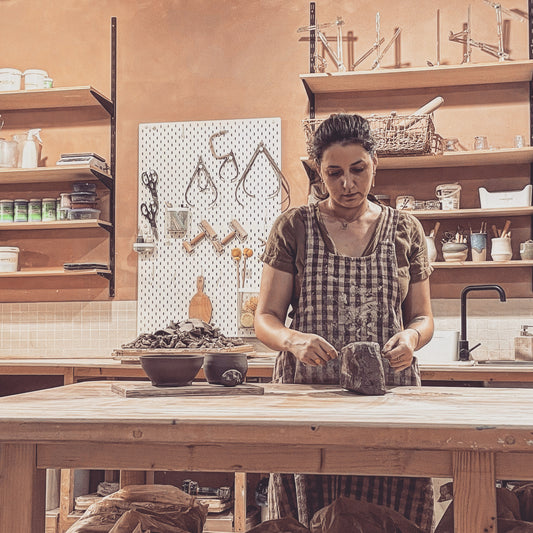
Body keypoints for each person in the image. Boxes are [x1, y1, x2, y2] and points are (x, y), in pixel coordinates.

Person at [254, 113, 435, 531]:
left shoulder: (406, 229)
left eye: (358, 170)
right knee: (310, 504)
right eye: (334, 173)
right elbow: (265, 318)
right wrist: (293, 340)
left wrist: (411, 337)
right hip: (308, 398)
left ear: (375, 163)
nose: (347, 184)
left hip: (387, 398)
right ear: (319, 172)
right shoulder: (293, 227)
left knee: (391, 504)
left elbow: (423, 317)